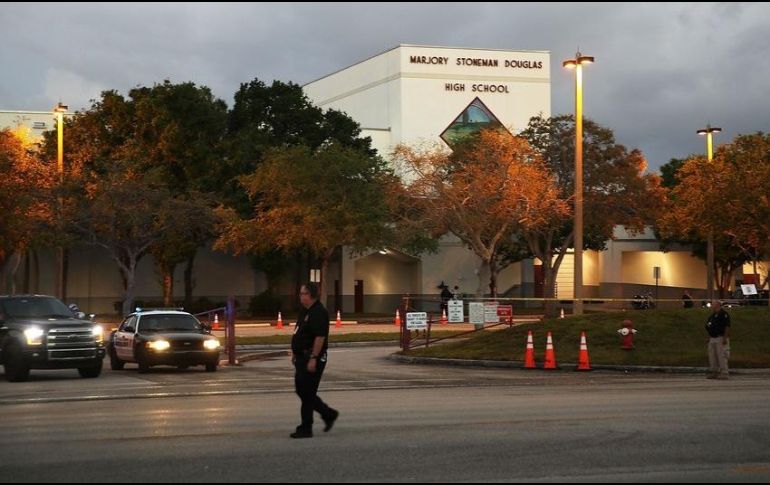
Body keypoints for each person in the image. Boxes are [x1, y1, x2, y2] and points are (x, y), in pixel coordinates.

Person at [290, 283, 339, 439]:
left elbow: (320, 337)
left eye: (303, 293)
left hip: (312, 357)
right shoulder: (305, 311)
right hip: (301, 357)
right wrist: (294, 351)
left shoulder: (318, 312)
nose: (301, 296)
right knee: (302, 391)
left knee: (308, 393)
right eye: (300, 293)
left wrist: (314, 358)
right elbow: (298, 332)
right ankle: (328, 413)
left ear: (310, 295)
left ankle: (306, 427)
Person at [705, 300, 731, 380]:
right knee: (712, 356)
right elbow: (709, 327)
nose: (712, 306)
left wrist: (725, 337)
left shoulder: (724, 314)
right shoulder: (712, 316)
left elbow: (727, 326)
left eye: (713, 304)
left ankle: (724, 373)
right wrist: (709, 337)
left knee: (721, 356)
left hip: (720, 337)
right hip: (713, 338)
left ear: (718, 305)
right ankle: (714, 372)